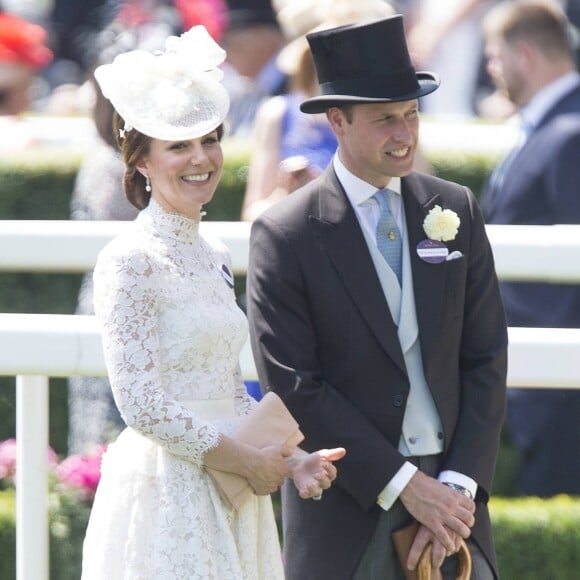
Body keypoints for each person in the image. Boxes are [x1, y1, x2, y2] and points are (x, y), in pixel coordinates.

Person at [247, 14, 508, 580]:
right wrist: (405, 485)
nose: (404, 133)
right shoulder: (284, 232)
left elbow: (486, 357)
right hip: (347, 512)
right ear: (337, 120)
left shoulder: (455, 209)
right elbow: (293, 384)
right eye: (385, 118)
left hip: (454, 507)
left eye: (412, 114)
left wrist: (455, 489)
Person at [81, 25, 345, 579]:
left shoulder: (215, 251)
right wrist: (245, 461)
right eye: (179, 145)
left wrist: (292, 459)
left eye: (209, 139)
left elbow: (227, 391)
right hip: (166, 490)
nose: (201, 157)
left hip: (232, 488)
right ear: (143, 163)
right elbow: (142, 405)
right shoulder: (128, 257)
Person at [481, 0, 580, 497]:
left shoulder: (570, 131)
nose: (491, 70)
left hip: (558, 390)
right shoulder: (548, 124)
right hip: (533, 379)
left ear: (524, 54)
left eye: (495, 56)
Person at [240, 0, 396, 222]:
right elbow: (252, 214)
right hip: (300, 248)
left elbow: (420, 202)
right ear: (308, 57)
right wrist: (288, 195)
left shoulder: (392, 113)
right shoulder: (277, 113)